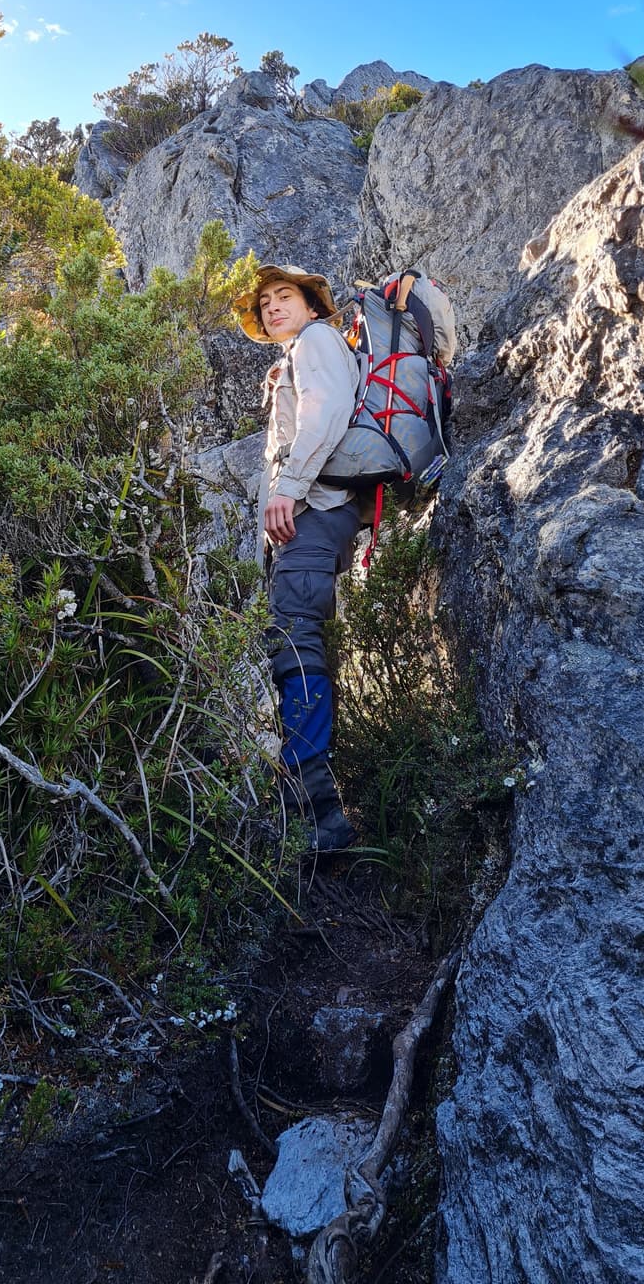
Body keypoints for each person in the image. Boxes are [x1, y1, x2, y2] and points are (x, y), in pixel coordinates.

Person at [233, 264, 363, 851]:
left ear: (312, 307)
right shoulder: (297, 355)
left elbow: (329, 410)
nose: (272, 307)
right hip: (310, 516)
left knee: (293, 636)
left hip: (314, 509)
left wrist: (289, 488)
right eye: (264, 303)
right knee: (293, 634)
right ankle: (309, 794)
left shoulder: (315, 340)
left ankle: (318, 811)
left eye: (285, 296)